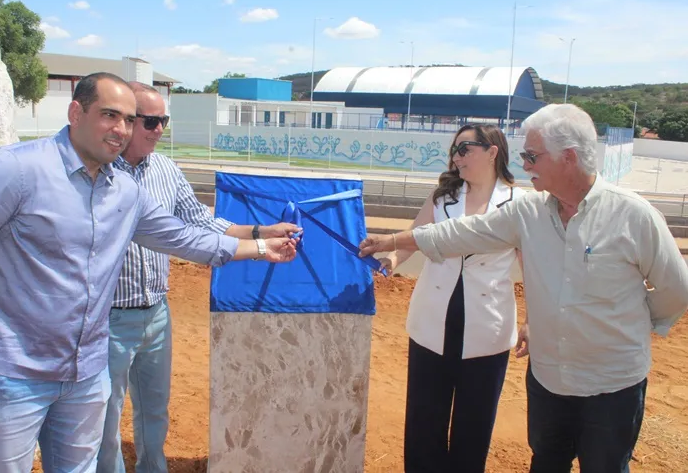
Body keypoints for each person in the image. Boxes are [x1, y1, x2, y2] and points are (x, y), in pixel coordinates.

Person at [0, 72, 298, 472]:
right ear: (76, 112)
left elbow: (184, 237)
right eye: (111, 115)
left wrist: (262, 246)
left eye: (129, 119)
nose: (122, 129)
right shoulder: (12, 170)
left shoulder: (124, 192)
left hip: (85, 375)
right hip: (9, 372)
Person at [359, 103, 688, 473]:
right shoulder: (529, 213)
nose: (526, 164)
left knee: (604, 465)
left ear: (568, 158)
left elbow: (676, 288)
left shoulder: (633, 215)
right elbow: (461, 233)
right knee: (546, 462)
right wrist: (391, 242)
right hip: (549, 380)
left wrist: (628, 327)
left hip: (610, 383)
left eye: (533, 156)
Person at [97, 82, 298, 473]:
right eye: (150, 121)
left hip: (156, 313)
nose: (158, 130)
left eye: (163, 122)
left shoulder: (167, 170)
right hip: (109, 317)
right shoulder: (100, 171)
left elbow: (202, 224)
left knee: (154, 411)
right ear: (125, 120)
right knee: (106, 414)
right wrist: (258, 247)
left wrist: (261, 232)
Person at [378, 124, 522, 472]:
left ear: (492, 152)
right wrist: (389, 260)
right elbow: (414, 238)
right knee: (424, 421)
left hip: (488, 329)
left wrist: (533, 321)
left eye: (464, 149)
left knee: (474, 426)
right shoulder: (443, 197)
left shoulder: (521, 203)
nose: (456, 157)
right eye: (454, 150)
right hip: (432, 323)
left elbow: (531, 266)